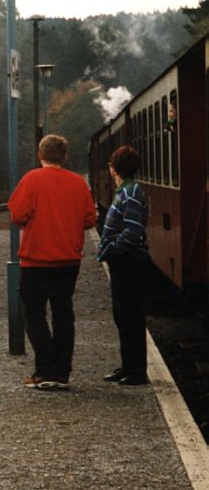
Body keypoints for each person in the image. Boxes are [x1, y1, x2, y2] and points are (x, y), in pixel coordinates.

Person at [8, 134, 97, 391]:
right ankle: (61, 372)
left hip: (35, 261)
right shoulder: (78, 183)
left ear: (40, 155)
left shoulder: (31, 180)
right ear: (65, 156)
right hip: (68, 261)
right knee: (63, 314)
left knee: (34, 313)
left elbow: (18, 215)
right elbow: (90, 220)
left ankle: (44, 370)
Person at [96, 145, 150, 386]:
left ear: (114, 167)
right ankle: (128, 366)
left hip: (128, 261)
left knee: (131, 316)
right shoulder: (125, 191)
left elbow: (132, 230)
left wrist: (112, 249)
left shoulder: (131, 193)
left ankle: (137, 372)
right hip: (123, 262)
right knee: (123, 315)